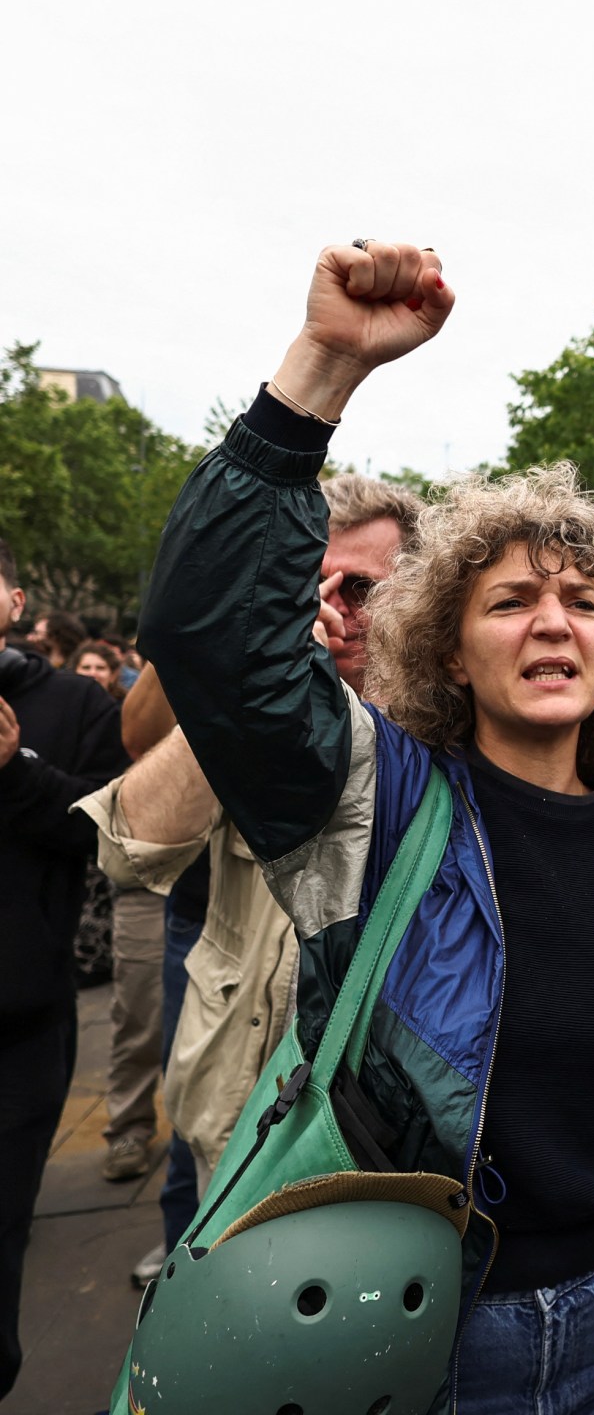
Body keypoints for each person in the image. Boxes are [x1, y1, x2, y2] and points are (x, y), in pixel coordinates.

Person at [135, 241, 594, 1412]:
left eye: (584, 600)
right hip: (417, 1341)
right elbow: (207, 635)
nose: (553, 620)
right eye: (510, 599)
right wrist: (323, 370)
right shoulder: (382, 802)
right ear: (448, 651)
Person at [80, 473, 419, 1285]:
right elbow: (129, 846)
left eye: (363, 587)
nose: (337, 607)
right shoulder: (259, 699)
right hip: (244, 1089)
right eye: (316, 584)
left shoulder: (453, 715)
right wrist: (255, 663)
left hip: (396, 1122)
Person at [0, 535, 128, 1400]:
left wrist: (16, 772)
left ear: (12, 600)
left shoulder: (71, 706)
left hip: (19, 1025)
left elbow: (109, 830)